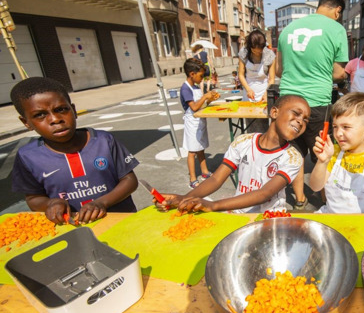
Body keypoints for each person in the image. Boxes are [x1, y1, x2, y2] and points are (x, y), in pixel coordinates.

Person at [10, 77, 139, 224]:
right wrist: (50, 204)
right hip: (72, 231)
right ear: (26, 122)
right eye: (40, 115)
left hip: (122, 223)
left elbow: (129, 180)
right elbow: (33, 198)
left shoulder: (104, 141)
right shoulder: (28, 156)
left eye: (61, 109)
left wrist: (102, 203)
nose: (55, 119)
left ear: (74, 110)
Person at [155, 95, 310, 214]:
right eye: (296, 113)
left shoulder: (293, 157)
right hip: (239, 214)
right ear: (274, 112)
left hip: (270, 218)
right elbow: (216, 179)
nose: (300, 121)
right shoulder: (243, 142)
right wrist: (184, 198)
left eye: (305, 120)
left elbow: (265, 193)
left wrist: (213, 205)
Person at [277, 0, 349, 209]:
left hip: (288, 102)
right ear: (338, 11)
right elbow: (339, 73)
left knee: (294, 152)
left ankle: (299, 198)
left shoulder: (288, 29)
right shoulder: (336, 29)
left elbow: (279, 70)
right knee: (322, 153)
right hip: (317, 103)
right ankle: (327, 199)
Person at [180, 59, 220, 188]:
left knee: (201, 148)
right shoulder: (185, 88)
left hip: (200, 122)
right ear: (192, 74)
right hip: (192, 123)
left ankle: (205, 171)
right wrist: (205, 97)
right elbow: (194, 107)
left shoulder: (196, 87)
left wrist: (210, 99)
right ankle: (192, 178)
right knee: (192, 151)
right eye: (201, 76)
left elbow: (201, 104)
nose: (202, 79)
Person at [239, 30, 276, 133]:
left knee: (263, 126)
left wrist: (266, 93)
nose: (258, 52)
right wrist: (247, 89)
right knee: (250, 125)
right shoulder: (244, 53)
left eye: (260, 49)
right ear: (250, 47)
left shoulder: (269, 55)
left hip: (263, 91)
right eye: (255, 50)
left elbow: (271, 78)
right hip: (249, 93)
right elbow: (241, 75)